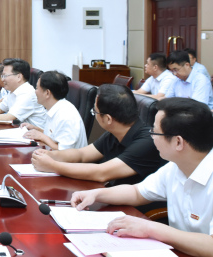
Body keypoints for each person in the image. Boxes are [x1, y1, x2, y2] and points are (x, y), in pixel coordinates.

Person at [70, 98, 213, 257]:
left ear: (178, 142)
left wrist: (150, 228)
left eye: (155, 131)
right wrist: (96, 194)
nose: (151, 136)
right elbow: (137, 192)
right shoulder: (175, 167)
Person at [31, 84, 166, 185]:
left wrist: (53, 166)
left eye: (95, 112)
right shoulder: (115, 133)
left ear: (108, 119)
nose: (94, 115)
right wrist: (51, 155)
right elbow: (82, 154)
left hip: (136, 209)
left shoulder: (147, 141)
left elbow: (101, 173)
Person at [22, 70, 88, 150]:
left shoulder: (66, 116)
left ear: (47, 93)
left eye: (37, 88)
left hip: (65, 158)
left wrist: (41, 136)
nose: (35, 92)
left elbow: (65, 151)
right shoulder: (55, 108)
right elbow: (53, 137)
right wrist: (35, 129)